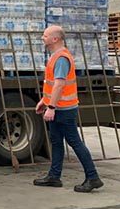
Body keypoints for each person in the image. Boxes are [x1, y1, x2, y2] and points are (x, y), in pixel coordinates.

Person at [34, 26, 104, 193]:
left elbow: (59, 84)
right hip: (58, 107)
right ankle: (54, 176)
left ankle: (93, 177)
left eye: (45, 35)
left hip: (64, 109)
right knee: (56, 141)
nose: (43, 38)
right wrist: (44, 101)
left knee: (74, 142)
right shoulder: (55, 56)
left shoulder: (61, 58)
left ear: (55, 39)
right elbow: (52, 85)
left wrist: (51, 107)